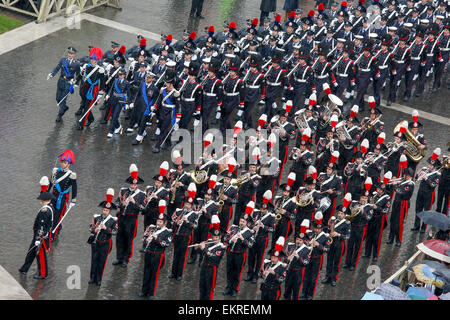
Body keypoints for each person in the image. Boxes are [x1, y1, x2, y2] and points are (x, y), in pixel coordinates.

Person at [112, 164, 146, 267]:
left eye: (135, 185)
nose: (133, 186)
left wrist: (134, 202)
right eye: (131, 184)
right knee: (119, 238)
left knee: (128, 238)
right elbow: (117, 203)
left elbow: (143, 208)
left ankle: (126, 259)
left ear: (137, 185)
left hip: (131, 219)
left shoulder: (141, 195)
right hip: (122, 217)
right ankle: (119, 257)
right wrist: (122, 204)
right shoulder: (123, 191)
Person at [19, 192, 55, 279]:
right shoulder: (50, 207)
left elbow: (41, 226)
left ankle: (43, 274)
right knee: (31, 252)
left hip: (41, 236)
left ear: (44, 200)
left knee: (41, 256)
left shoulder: (45, 211)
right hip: (40, 235)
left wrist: (38, 238)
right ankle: (24, 269)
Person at [88, 189, 118, 286]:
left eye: (107, 210)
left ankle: (99, 279)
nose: (105, 212)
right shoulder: (97, 217)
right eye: (104, 210)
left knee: (102, 261)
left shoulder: (113, 220)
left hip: (105, 243)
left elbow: (114, 232)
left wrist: (106, 228)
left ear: (109, 211)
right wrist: (94, 229)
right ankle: (92, 277)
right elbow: (90, 229)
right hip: (96, 242)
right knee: (94, 260)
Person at [139, 212, 173, 300]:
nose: (158, 223)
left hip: (157, 255)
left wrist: (157, 238)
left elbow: (166, 244)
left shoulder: (167, 232)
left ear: (165, 223)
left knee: (154, 273)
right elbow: (144, 238)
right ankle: (144, 291)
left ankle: (151, 293)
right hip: (148, 253)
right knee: (146, 272)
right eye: (158, 221)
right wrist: (146, 239)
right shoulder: (151, 228)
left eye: (160, 222)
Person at [223, 214, 255, 297]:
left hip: (240, 255)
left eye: (243, 222)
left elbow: (250, 245)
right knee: (229, 271)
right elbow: (225, 238)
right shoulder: (233, 228)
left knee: (237, 272)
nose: (241, 223)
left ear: (247, 223)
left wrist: (243, 239)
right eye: (241, 221)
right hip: (230, 253)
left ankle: (235, 289)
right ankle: (228, 287)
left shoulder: (249, 232)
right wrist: (230, 240)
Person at [48, 150, 77, 240]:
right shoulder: (56, 171)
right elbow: (51, 183)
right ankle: (49, 230)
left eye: (65, 162)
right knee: (51, 213)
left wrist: (73, 200)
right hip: (53, 196)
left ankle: (53, 234)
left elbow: (74, 188)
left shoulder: (71, 175)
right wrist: (46, 192)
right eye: (62, 162)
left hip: (62, 198)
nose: (63, 164)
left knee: (58, 215)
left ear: (68, 164)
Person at [47, 47, 81, 122]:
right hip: (61, 81)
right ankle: (64, 107)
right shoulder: (63, 61)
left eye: (71, 54)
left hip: (68, 83)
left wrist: (76, 83)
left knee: (63, 99)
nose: (70, 55)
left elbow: (79, 75)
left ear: (74, 55)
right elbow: (57, 68)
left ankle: (60, 115)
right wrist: (52, 74)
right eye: (69, 53)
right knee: (58, 98)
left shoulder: (76, 64)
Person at [412, 150, 441, 232]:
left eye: (431, 165)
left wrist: (427, 178)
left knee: (426, 211)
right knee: (418, 209)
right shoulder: (425, 170)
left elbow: (433, 185)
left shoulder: (437, 174)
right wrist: (418, 173)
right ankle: (416, 225)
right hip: (420, 192)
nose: (429, 166)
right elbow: (416, 179)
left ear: (434, 167)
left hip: (429, 194)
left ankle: (423, 228)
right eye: (429, 164)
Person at [198, 215, 227, 300]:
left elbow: (213, 257)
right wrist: (199, 247)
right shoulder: (209, 242)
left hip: (212, 269)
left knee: (209, 289)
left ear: (220, 237)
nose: (215, 239)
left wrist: (204, 249)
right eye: (214, 237)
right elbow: (201, 252)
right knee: (202, 287)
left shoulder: (221, 247)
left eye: (217, 237)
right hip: (204, 266)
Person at [322, 206, 350, 287]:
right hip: (331, 243)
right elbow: (328, 230)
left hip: (339, 244)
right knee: (329, 261)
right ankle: (327, 277)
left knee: (336, 263)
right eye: (339, 213)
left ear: (345, 215)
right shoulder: (334, 221)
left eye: (341, 214)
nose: (339, 215)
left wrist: (338, 234)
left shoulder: (347, 223)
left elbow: (348, 236)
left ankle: (334, 279)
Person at [387, 167, 415, 246]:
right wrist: (393, 181)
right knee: (392, 220)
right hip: (396, 202)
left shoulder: (410, 184)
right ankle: (391, 238)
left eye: (405, 175)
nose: (403, 176)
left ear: (409, 176)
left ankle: (398, 240)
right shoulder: (403, 181)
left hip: (403, 204)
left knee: (398, 223)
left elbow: (401, 192)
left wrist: (395, 185)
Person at [283, 227, 310, 300]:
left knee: (296, 291)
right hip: (289, 271)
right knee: (287, 289)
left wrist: (298, 257)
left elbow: (306, 262)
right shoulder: (290, 246)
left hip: (298, 272)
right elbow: (284, 258)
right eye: (297, 239)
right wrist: (287, 259)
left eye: (300, 240)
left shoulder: (306, 250)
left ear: (303, 241)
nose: (298, 241)